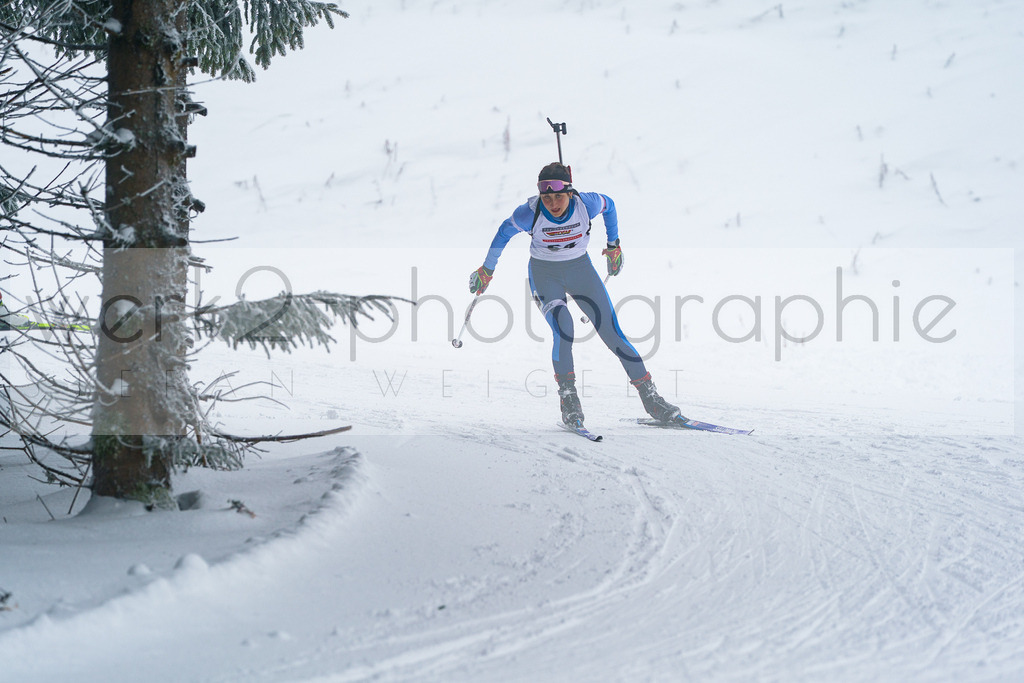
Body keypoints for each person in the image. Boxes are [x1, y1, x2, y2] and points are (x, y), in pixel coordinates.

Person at [469, 162, 681, 428]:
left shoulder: (586, 204)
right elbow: (503, 233)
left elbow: (610, 205)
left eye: (558, 196)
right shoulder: (529, 214)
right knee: (565, 328)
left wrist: (613, 245)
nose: (553, 203)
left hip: (580, 270)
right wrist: (487, 270)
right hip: (545, 274)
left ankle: (652, 400)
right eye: (546, 197)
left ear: (570, 192)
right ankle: (569, 402)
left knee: (613, 333)